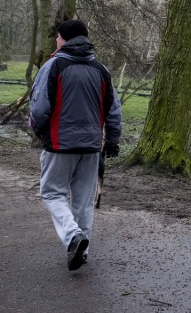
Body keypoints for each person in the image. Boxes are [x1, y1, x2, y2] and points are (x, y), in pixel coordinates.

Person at [29, 19, 122, 271]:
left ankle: (73, 237)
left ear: (64, 39)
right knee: (83, 201)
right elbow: (113, 109)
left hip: (59, 144)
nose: (56, 42)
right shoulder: (101, 69)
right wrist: (112, 139)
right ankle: (83, 251)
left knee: (51, 192)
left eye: (58, 38)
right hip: (92, 146)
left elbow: (39, 107)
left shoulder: (53, 66)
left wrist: (37, 130)